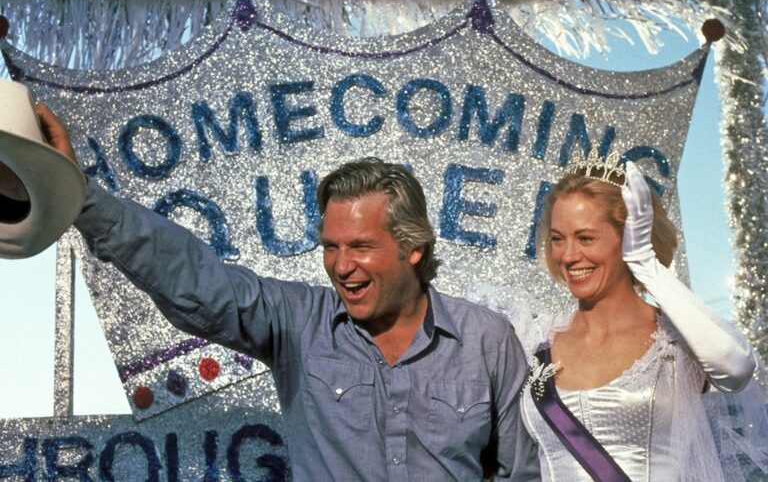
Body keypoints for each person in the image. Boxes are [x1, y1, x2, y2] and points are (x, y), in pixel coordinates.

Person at [36, 104, 540, 482]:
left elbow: (524, 473)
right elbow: (194, 282)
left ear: (414, 248)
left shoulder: (486, 340)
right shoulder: (298, 322)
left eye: (361, 247)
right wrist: (82, 197)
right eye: (331, 246)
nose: (341, 266)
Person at [469, 151, 763, 481]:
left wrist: (645, 264)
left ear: (629, 239)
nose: (568, 255)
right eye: (558, 239)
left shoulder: (675, 340)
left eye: (585, 238)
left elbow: (737, 368)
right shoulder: (532, 338)